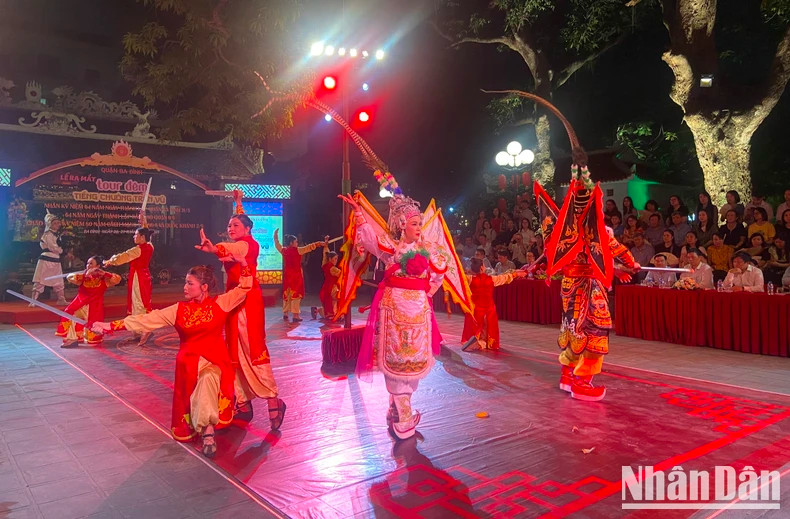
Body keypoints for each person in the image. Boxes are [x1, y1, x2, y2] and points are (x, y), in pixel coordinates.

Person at [92, 262, 250, 457]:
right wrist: (109, 326)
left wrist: (244, 263)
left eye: (189, 283)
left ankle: (207, 430)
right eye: (185, 283)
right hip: (189, 363)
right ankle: (205, 427)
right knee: (200, 385)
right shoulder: (178, 310)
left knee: (208, 379)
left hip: (214, 360)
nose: (184, 287)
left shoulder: (221, 303)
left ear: (204, 287)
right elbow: (147, 320)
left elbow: (245, 287)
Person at [338, 191, 449, 440]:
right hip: (394, 308)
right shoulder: (391, 248)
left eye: (420, 223)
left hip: (417, 311)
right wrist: (358, 212)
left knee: (412, 360)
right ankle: (404, 417)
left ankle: (398, 409)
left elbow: (441, 273)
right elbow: (368, 239)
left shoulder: (429, 249)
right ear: (402, 225)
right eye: (413, 223)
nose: (418, 227)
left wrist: (427, 293)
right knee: (396, 358)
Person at [538, 160, 640, 403]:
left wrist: (614, 271)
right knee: (595, 333)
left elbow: (590, 258)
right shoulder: (593, 228)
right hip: (588, 288)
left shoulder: (563, 230)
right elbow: (612, 247)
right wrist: (631, 262)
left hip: (570, 285)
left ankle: (567, 376)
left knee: (574, 330)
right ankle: (582, 382)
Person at [195, 198, 285, 432]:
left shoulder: (247, 245)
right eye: (229, 225)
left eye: (235, 225)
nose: (230, 228)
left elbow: (232, 249)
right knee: (232, 350)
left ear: (247, 229)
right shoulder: (241, 241)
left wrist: (214, 248)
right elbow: (230, 247)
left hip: (247, 301)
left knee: (252, 347)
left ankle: (273, 399)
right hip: (233, 301)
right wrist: (238, 203)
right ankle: (243, 403)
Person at [104, 217, 155, 344]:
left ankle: (144, 330)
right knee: (141, 302)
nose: (134, 236)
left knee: (138, 304)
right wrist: (143, 220)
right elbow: (147, 232)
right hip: (144, 276)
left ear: (142, 237)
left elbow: (123, 256)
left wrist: (108, 262)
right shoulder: (150, 245)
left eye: (136, 235)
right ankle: (138, 331)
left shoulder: (138, 249)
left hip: (139, 279)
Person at [461, 258, 526, 350]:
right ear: (482, 268)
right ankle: (485, 343)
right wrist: (516, 273)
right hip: (489, 308)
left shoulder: (469, 279)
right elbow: (504, 278)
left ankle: (475, 341)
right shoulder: (491, 279)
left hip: (475, 308)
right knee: (488, 328)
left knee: (475, 328)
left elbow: (457, 277)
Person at [56, 256, 121, 348]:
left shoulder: (104, 279)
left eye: (91, 264)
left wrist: (105, 273)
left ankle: (88, 336)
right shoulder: (83, 276)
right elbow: (69, 277)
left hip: (94, 307)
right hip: (80, 304)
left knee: (93, 338)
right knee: (69, 314)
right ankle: (72, 339)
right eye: (87, 263)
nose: (88, 265)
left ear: (97, 266)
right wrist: (85, 275)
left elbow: (117, 279)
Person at [274, 230, 324, 322]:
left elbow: (277, 245)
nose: (297, 243)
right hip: (296, 275)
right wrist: (318, 243)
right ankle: (295, 315)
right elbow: (309, 247)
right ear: (291, 243)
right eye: (296, 241)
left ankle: (285, 313)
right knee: (296, 295)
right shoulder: (298, 250)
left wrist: (275, 237)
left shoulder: (284, 250)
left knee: (287, 294)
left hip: (288, 275)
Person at [31, 212, 67, 306]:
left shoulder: (56, 235)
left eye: (58, 223)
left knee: (58, 280)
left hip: (55, 260)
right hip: (46, 259)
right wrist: (61, 250)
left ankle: (61, 299)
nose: (57, 225)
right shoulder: (48, 235)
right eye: (55, 223)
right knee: (40, 280)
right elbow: (53, 247)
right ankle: (33, 300)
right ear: (49, 224)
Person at [315, 240, 341, 320]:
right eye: (335, 259)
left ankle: (318, 310)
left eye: (337, 259)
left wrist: (326, 246)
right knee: (339, 297)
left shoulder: (325, 265)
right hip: (331, 289)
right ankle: (336, 314)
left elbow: (325, 255)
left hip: (326, 288)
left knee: (330, 305)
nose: (336, 261)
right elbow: (342, 274)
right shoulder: (332, 268)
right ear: (330, 259)